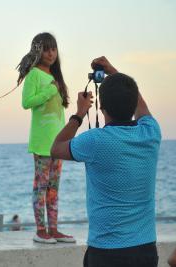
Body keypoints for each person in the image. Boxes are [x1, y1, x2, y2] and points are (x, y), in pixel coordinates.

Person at [51, 56, 161, 267]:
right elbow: (140, 105)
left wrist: (79, 113)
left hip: (106, 252)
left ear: (101, 106)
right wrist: (114, 72)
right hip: (146, 250)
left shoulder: (94, 141)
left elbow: (56, 148)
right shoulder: (151, 133)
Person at [17, 32, 75, 244]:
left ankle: (54, 229)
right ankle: (41, 230)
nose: (51, 53)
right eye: (46, 49)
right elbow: (26, 102)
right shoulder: (34, 75)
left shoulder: (55, 76)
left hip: (58, 143)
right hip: (42, 143)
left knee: (53, 189)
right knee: (40, 187)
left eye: (54, 49)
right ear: (38, 51)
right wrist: (49, 92)